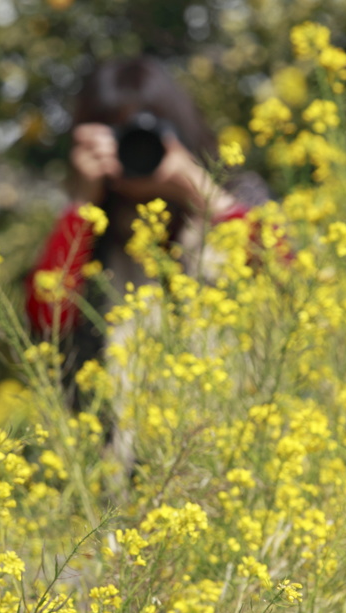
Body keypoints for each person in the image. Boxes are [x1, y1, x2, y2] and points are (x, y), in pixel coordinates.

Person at [24, 56, 270, 391]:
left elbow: (292, 282)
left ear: (177, 131)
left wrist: (206, 194)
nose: (134, 149)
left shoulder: (236, 194)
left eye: (145, 133)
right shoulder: (88, 232)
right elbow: (47, 323)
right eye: (119, 136)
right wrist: (82, 205)